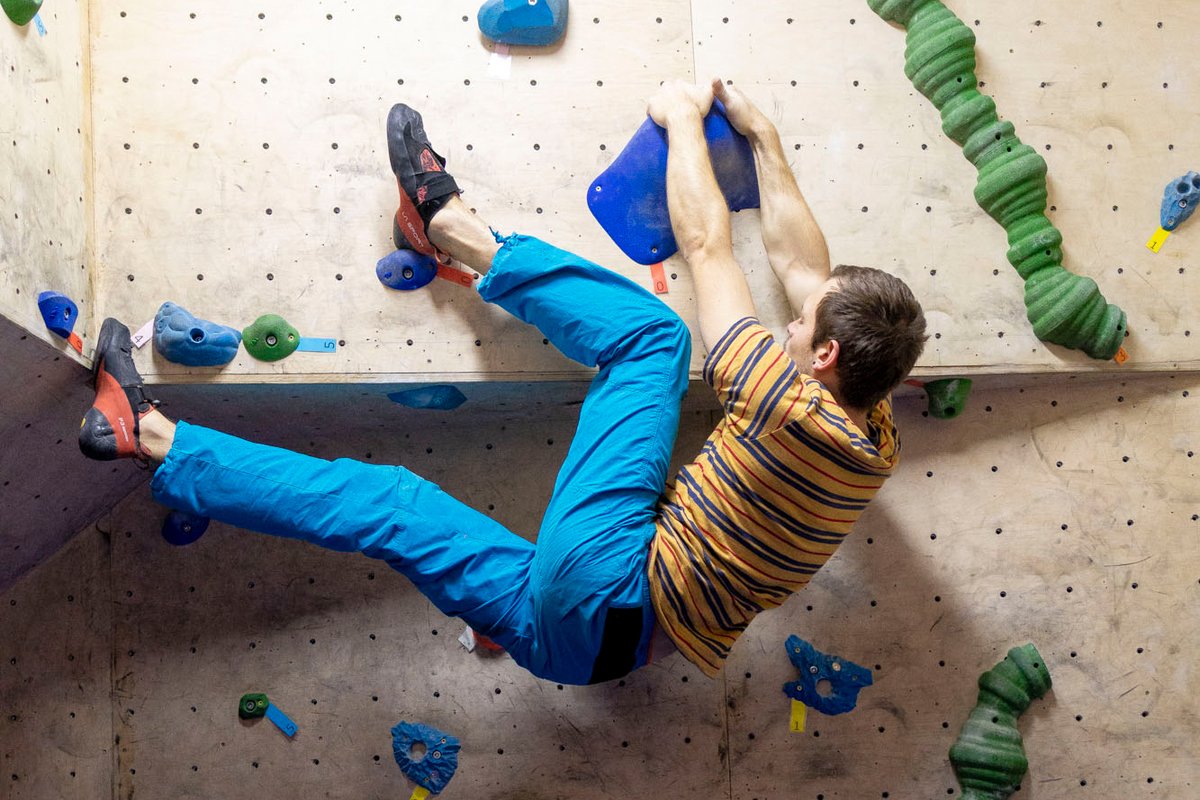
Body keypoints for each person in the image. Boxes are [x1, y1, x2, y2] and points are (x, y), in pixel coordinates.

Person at [78, 79, 926, 685]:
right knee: (390, 507)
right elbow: (808, 275)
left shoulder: (778, 399)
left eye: (802, 329)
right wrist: (768, 145)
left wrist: (680, 118)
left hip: (611, 587)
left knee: (654, 339)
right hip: (589, 657)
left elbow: (707, 246)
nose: (789, 319)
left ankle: (449, 225)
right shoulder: (871, 439)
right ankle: (145, 434)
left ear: (821, 363)